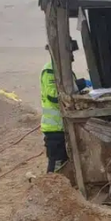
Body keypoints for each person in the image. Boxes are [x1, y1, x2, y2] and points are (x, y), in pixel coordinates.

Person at [41, 40, 90, 174]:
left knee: (65, 161)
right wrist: (80, 84)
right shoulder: (50, 71)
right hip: (55, 128)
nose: (73, 57)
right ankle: (50, 190)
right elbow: (53, 96)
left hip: (64, 125)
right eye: (70, 54)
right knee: (56, 164)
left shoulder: (65, 72)